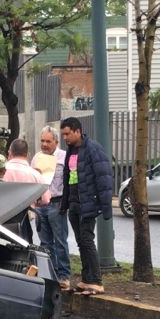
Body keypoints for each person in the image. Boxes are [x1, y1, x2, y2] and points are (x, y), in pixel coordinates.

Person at [58, 117, 114, 295]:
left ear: (77, 131)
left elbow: (103, 177)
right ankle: (86, 279)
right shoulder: (71, 151)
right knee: (81, 242)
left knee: (87, 241)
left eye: (67, 134)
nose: (65, 137)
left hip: (88, 203)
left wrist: (105, 207)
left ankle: (96, 281)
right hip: (74, 203)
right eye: (63, 134)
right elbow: (68, 179)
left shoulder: (93, 148)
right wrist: (64, 204)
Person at [31, 126, 72, 290]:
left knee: (60, 241)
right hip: (41, 204)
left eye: (48, 141)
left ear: (56, 141)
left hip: (57, 202)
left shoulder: (63, 157)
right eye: (42, 140)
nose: (44, 144)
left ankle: (64, 275)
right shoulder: (37, 158)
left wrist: (66, 202)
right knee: (45, 242)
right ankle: (51, 274)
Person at [3, 138, 46, 241]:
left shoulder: (2, 170)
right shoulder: (35, 174)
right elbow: (45, 200)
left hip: (2, 218)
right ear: (27, 155)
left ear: (10, 152)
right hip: (24, 219)